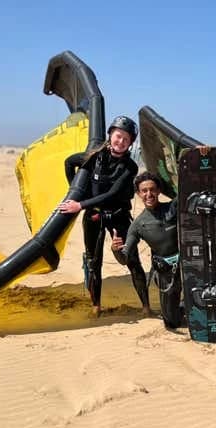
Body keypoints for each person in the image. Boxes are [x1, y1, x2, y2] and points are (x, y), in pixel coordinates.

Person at [58, 115, 150, 317]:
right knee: (94, 262)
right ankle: (96, 306)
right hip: (94, 215)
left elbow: (113, 194)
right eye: (118, 136)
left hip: (118, 215)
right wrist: (77, 191)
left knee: (132, 260)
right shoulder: (94, 157)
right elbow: (69, 162)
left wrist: (79, 204)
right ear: (110, 135)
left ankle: (146, 307)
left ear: (131, 144)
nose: (121, 142)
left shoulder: (130, 167)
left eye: (126, 139)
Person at [111, 172, 183, 329]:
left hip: (187, 264)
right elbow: (124, 259)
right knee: (171, 322)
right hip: (166, 270)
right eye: (144, 191)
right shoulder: (138, 224)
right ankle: (180, 307)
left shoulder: (173, 207)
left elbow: (189, 189)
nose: (149, 194)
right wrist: (115, 250)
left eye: (152, 189)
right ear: (138, 194)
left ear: (159, 191)